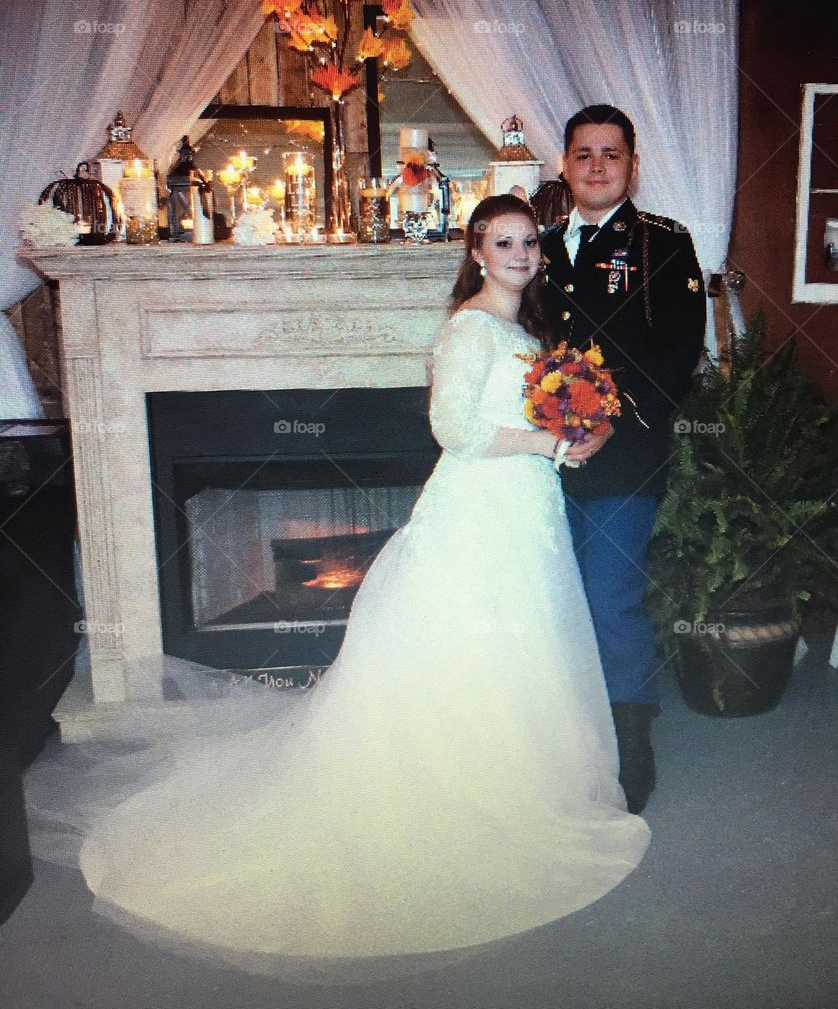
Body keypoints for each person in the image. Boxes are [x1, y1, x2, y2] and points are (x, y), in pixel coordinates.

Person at [25, 194, 649, 975]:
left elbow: (525, 418)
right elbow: (453, 430)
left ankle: (522, 785)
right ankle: (455, 794)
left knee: (522, 643)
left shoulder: (528, 333)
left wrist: (572, 435)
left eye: (528, 242)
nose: (520, 254)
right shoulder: (469, 329)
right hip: (480, 511)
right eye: (503, 243)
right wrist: (547, 443)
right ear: (477, 253)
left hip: (528, 509)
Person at [540, 106, 707, 814]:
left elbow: (679, 352)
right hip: (544, 456)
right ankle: (568, 731)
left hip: (626, 452)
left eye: (611, 154)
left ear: (633, 166)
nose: (597, 166)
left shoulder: (663, 242)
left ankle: (632, 736)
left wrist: (611, 420)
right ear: (564, 165)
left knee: (612, 598)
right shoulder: (540, 243)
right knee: (556, 596)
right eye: (584, 154)